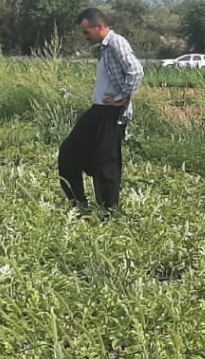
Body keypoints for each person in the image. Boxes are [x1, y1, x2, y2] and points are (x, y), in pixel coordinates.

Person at [58, 8, 144, 211]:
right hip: (99, 110)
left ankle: (109, 211)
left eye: (87, 32)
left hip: (111, 114)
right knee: (68, 153)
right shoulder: (105, 48)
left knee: (106, 163)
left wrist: (122, 98)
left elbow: (136, 71)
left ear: (99, 26)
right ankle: (79, 203)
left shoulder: (116, 43)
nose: (85, 36)